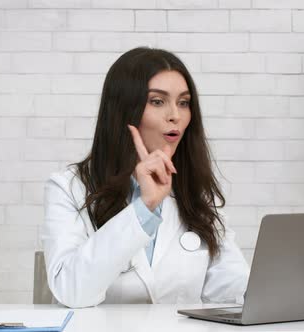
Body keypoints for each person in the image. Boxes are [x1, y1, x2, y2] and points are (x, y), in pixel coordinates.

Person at [41, 47, 249, 308]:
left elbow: (231, 286)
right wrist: (145, 207)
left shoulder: (196, 191)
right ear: (124, 111)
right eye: (157, 101)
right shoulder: (69, 187)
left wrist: (267, 292)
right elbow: (72, 291)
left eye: (183, 103)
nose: (175, 115)